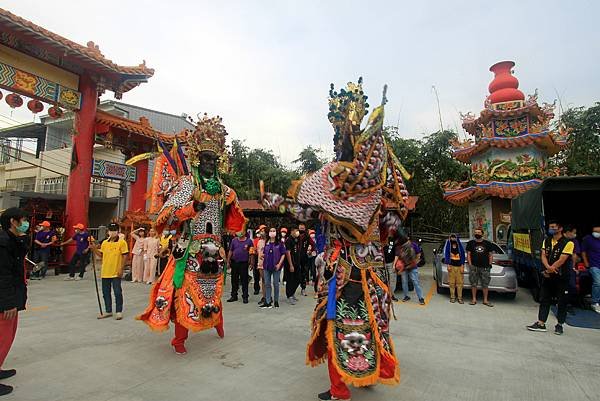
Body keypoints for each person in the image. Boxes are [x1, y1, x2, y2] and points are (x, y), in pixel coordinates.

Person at [261, 79, 402, 400]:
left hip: (359, 272)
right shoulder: (329, 185)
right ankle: (351, 380)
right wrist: (280, 205)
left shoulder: (367, 187)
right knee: (343, 325)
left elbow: (385, 220)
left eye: (344, 137)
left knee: (360, 326)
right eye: (337, 137)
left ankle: (351, 382)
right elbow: (315, 215)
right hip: (341, 269)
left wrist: (402, 243)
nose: (339, 144)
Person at [138, 114, 247, 355]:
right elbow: (168, 215)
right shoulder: (188, 184)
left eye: (214, 159)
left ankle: (216, 323)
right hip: (191, 250)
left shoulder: (225, 190)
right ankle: (179, 339)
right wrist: (191, 208)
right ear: (197, 159)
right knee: (184, 291)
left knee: (213, 291)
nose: (210, 163)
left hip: (215, 251)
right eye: (206, 159)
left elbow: (235, 221)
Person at [0, 208, 29, 397]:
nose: (26, 223)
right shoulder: (2, 244)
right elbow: (3, 276)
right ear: (13, 221)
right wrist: (8, 302)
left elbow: (22, 253)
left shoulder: (12, 240)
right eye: (23, 220)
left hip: (13, 296)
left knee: (8, 337)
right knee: (1, 338)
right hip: (5, 301)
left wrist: (23, 237)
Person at [527, 221, 574, 335]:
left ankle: (559, 325)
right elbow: (543, 255)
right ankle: (541, 323)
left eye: (553, 227)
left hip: (562, 277)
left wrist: (552, 268)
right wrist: (548, 268)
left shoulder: (568, 243)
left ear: (560, 228)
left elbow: (562, 259)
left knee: (562, 301)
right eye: (550, 227)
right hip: (548, 276)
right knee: (544, 299)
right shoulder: (547, 240)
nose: (551, 229)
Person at [92, 223, 128, 320]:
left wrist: (121, 268)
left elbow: (125, 256)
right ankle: (108, 310)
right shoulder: (105, 243)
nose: (112, 232)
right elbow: (101, 255)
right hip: (105, 271)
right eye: (111, 230)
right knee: (105, 292)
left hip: (116, 271)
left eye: (114, 230)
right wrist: (94, 249)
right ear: (108, 231)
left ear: (118, 231)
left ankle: (119, 311)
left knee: (117, 292)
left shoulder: (122, 242)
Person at [466, 228, 494, 307]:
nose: (477, 234)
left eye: (478, 232)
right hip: (474, 267)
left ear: (482, 234)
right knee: (473, 284)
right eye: (475, 232)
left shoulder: (488, 243)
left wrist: (489, 264)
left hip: (485, 267)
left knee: (485, 284)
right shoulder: (470, 243)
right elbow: (468, 254)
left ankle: (485, 300)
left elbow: (490, 255)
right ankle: (474, 299)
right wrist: (470, 265)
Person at [394, 234, 425, 305]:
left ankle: (421, 298)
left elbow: (418, 254)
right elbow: (397, 256)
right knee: (404, 282)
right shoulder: (399, 247)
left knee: (415, 282)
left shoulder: (413, 245)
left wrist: (416, 262)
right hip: (404, 267)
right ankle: (406, 296)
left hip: (412, 267)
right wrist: (396, 266)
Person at [261, 227, 286, 308]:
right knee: (267, 284)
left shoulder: (280, 243)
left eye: (273, 231)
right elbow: (265, 253)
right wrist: (262, 255)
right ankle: (268, 301)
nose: (272, 232)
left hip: (276, 267)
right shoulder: (266, 243)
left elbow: (283, 254)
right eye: (271, 231)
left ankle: (276, 301)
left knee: (276, 284)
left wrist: (279, 264)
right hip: (267, 266)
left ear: (276, 232)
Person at [227, 231, 255, 304]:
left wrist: (252, 262)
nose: (239, 232)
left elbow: (251, 252)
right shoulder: (234, 240)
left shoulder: (249, 241)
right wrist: (228, 261)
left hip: (244, 263)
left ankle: (245, 296)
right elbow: (230, 251)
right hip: (234, 263)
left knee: (244, 280)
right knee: (234, 280)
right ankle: (234, 295)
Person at [582, 224, 600, 314]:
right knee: (598, 282)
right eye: (595, 231)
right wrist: (586, 263)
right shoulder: (588, 239)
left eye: (598, 232)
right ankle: (595, 302)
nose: (596, 233)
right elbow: (583, 251)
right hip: (594, 265)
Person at [444, 234, 466, 304]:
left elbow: (462, 255)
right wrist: (448, 265)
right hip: (452, 266)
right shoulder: (449, 246)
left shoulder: (459, 246)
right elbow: (447, 255)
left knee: (460, 283)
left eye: (454, 237)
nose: (453, 239)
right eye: (452, 237)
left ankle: (460, 298)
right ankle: (452, 297)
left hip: (459, 266)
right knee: (452, 283)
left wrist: (462, 265)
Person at [284, 227, 301, 304]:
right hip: (290, 263)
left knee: (298, 278)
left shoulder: (296, 240)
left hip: (296, 262)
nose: (297, 232)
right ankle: (289, 295)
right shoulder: (288, 240)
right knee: (290, 279)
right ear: (292, 231)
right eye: (296, 230)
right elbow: (288, 252)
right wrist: (291, 265)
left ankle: (292, 292)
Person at [253, 225, 267, 305]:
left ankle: (268, 297)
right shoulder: (258, 242)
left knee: (267, 281)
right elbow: (257, 252)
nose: (262, 232)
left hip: (267, 264)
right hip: (260, 263)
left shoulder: (269, 242)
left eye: (263, 231)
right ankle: (264, 296)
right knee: (263, 281)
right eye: (261, 231)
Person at [297, 223, 310, 296]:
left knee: (303, 273)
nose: (301, 229)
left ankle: (303, 288)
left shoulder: (307, 236)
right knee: (295, 273)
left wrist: (312, 250)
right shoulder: (295, 235)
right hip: (295, 257)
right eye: (300, 228)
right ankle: (292, 290)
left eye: (303, 228)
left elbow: (313, 244)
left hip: (304, 257)